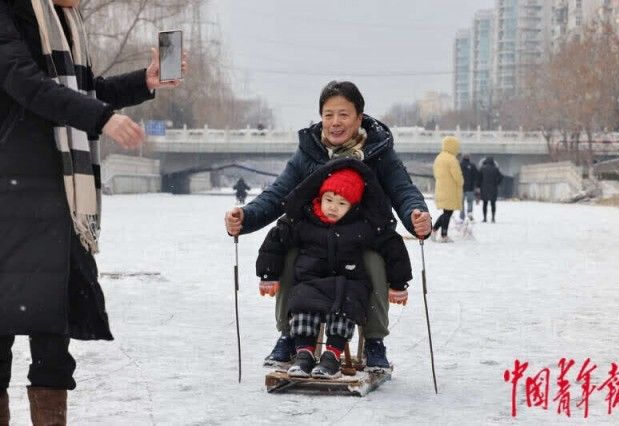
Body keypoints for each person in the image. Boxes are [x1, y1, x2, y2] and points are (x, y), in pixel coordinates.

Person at [0, 0, 186, 423]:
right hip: (9, 196)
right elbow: (25, 84)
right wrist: (101, 119)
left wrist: (144, 80)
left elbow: (78, 94)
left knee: (53, 338)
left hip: (58, 197)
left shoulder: (64, 24)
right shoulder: (9, 12)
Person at [225, 80, 431, 371]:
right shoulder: (309, 152)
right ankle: (288, 335)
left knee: (375, 261)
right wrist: (246, 217)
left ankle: (374, 341)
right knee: (290, 256)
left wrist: (416, 215)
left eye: (344, 114)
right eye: (329, 114)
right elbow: (277, 194)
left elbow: (403, 191)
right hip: (314, 238)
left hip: (360, 239)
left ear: (359, 117)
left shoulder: (378, 151)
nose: (335, 122)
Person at [256, 160, 412, 378]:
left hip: (347, 284)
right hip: (311, 281)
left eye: (341, 204)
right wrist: (268, 273)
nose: (332, 207)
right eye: (328, 200)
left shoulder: (361, 226)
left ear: (352, 207)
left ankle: (332, 356)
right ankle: (303, 354)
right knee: (303, 304)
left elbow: (392, 246)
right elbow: (276, 240)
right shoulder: (306, 221)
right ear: (320, 198)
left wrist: (398, 283)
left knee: (345, 308)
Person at [432, 136, 463, 243]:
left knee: (446, 212)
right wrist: (461, 182)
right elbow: (457, 176)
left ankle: (435, 230)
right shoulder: (451, 159)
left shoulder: (439, 157)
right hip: (450, 190)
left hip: (441, 188)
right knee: (447, 213)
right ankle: (443, 235)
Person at [477, 157, 503, 223]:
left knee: (485, 204)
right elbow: (501, 177)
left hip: (484, 188)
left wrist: (478, 186)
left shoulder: (482, 169)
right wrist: (497, 183)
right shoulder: (496, 169)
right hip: (493, 188)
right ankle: (493, 218)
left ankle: (485, 218)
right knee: (493, 203)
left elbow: (479, 179)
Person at [459, 154, 478, 221]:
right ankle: (469, 214)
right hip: (470, 187)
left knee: (461, 203)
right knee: (470, 202)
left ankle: (462, 216)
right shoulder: (473, 166)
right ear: (469, 158)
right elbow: (476, 176)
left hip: (461, 188)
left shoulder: (459, 165)